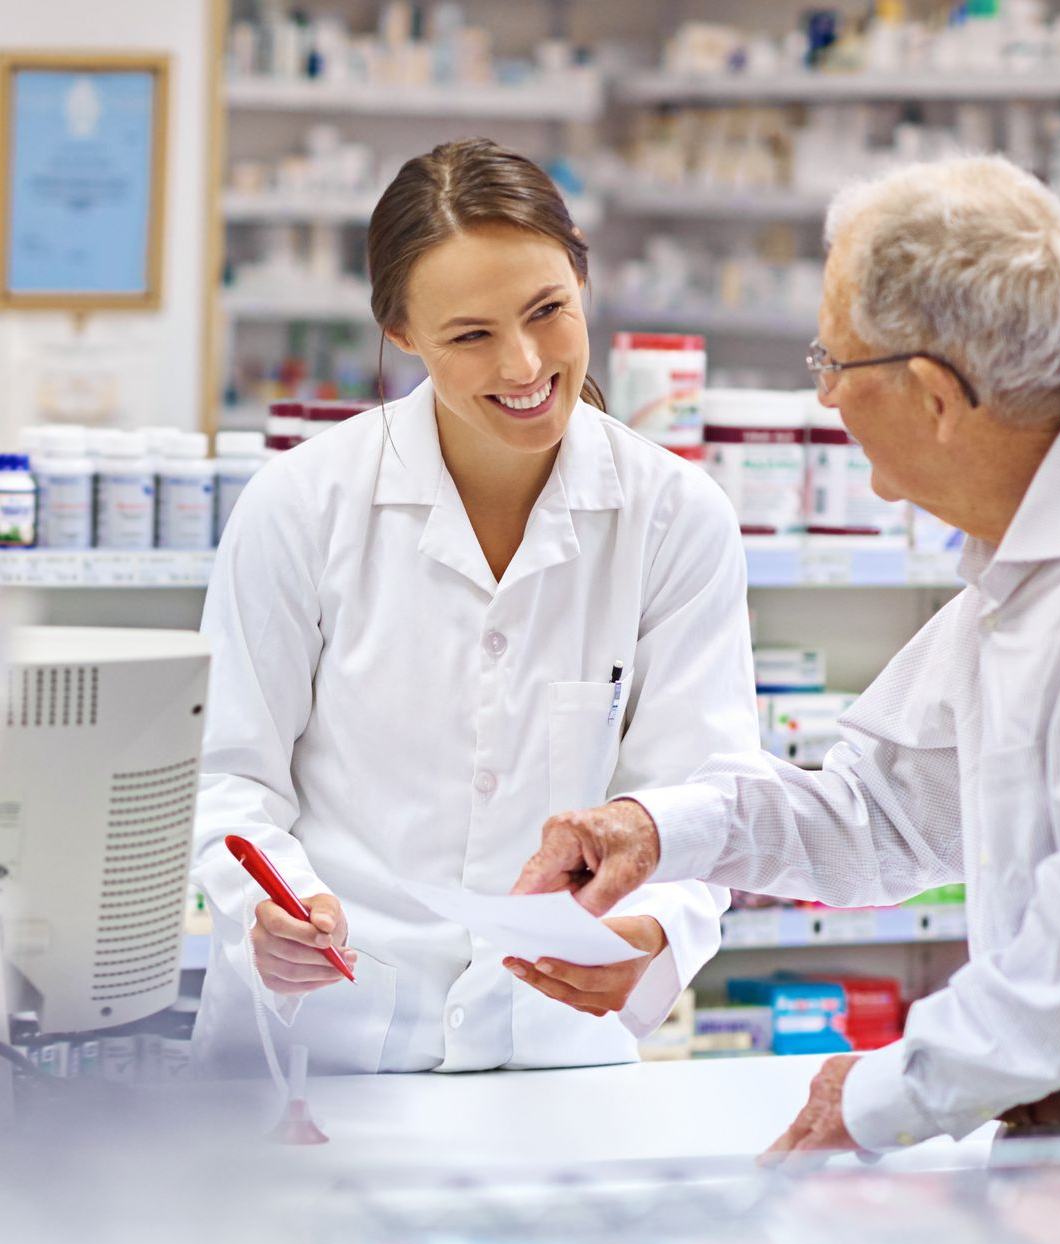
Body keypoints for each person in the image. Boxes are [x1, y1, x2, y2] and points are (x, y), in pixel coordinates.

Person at [513, 155, 1060, 1156]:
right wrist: (655, 829)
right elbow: (877, 816)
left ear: (931, 392)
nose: (826, 398)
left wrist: (881, 1095)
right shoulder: (1032, 564)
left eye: (833, 363)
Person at [190, 139, 757, 1076]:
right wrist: (273, 906)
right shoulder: (301, 505)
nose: (525, 363)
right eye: (471, 335)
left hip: (555, 1055)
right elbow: (228, 777)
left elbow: (703, 793)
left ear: (584, 283)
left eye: (548, 312)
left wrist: (654, 931)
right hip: (322, 1051)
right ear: (402, 333)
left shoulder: (674, 516)